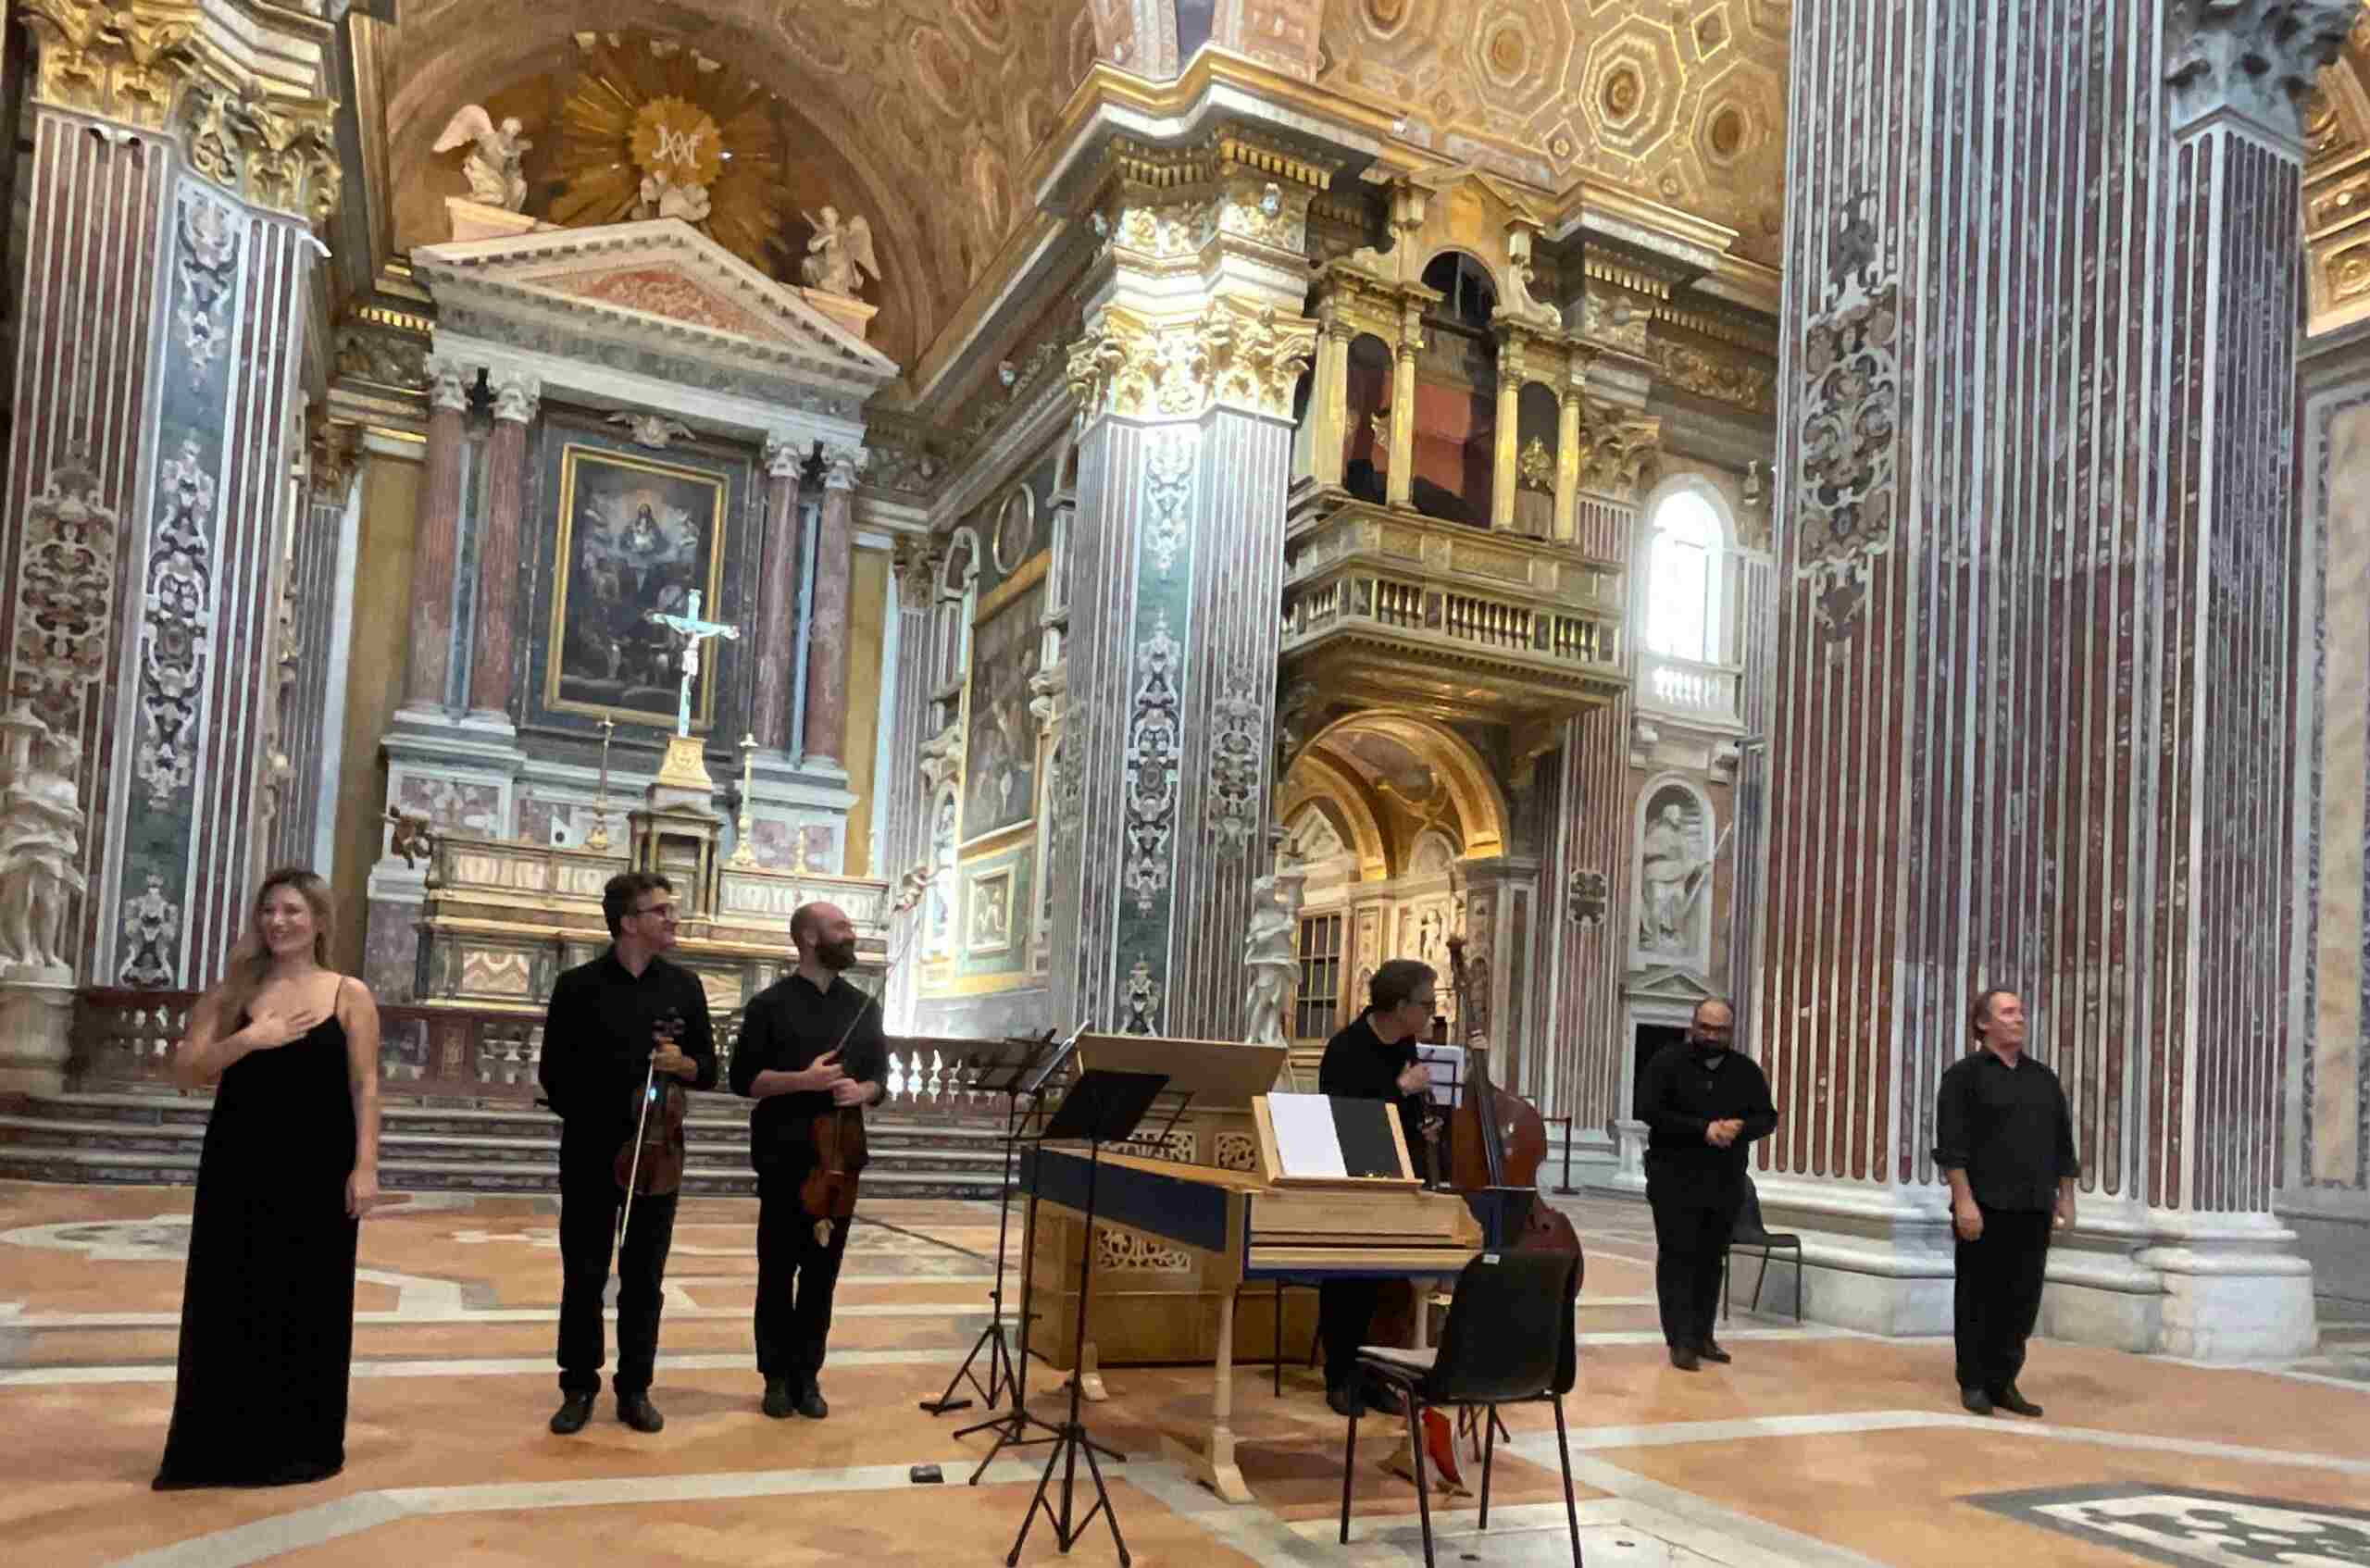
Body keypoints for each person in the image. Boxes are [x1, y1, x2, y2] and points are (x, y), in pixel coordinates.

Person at [156, 868, 381, 1489]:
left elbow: (365, 1084)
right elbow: (187, 1071)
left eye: (291, 911)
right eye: (269, 911)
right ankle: (219, 1445)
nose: (277, 922)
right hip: (240, 1163)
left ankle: (300, 1444)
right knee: (230, 1295)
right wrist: (251, 1039)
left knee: (309, 1300)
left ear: (319, 920)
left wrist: (365, 1166)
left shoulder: (348, 994)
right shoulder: (232, 994)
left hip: (318, 1168)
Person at [538, 872, 717, 1436]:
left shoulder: (685, 987)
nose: (672, 918)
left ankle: (635, 1387)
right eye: (660, 910)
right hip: (591, 1152)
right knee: (584, 1274)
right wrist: (609, 1108)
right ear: (628, 922)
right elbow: (554, 1076)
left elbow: (709, 1070)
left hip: (658, 1154)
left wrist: (683, 1065)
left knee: (645, 1279)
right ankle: (577, 1385)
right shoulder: (577, 986)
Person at [729, 901, 887, 1420]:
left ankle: (808, 1375)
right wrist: (806, 1081)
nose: (851, 934)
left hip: (841, 1160)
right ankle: (775, 1378)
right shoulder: (769, 1005)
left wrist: (861, 1091)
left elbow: (879, 1078)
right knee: (777, 1273)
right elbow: (744, 1080)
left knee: (822, 1277)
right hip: (784, 1157)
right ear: (810, 939)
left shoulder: (863, 1005)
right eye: (841, 927)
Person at [1935, 988, 2077, 1419]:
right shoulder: (1963, 1076)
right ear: (1983, 1023)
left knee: (2022, 1300)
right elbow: (1951, 1146)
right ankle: (1974, 1381)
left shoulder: (2043, 1078)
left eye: (2021, 1012)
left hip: (2034, 1206)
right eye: (2009, 1012)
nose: (2019, 1018)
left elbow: (2062, 1142)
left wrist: (2066, 1197)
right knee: (1978, 1296)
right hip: (1985, 1205)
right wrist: (1964, 1201)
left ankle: (2004, 1380)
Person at [1315, 959, 1439, 1418]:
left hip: (1397, 1174)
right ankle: (1339, 1377)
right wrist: (1400, 1087)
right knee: (1346, 1278)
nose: (1431, 1012)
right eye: (1426, 1003)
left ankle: (1370, 1375)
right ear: (1400, 1006)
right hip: (1350, 1176)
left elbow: (1403, 1111)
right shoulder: (1346, 1048)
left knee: (1380, 1280)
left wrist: (1423, 1125)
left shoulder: (1405, 1043)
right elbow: (1347, 1116)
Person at [1636, 998, 1777, 1371]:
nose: (1712, 1036)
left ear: (1731, 1032)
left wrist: (1740, 1128)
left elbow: (1767, 1117)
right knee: (1677, 1258)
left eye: (1720, 1030)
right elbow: (1649, 1110)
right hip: (1674, 1179)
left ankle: (1702, 1336)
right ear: (1693, 1025)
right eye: (1706, 1028)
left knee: (1711, 1260)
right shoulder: (1667, 1062)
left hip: (1724, 1182)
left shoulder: (1746, 1071)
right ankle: (1679, 1341)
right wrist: (1703, 1129)